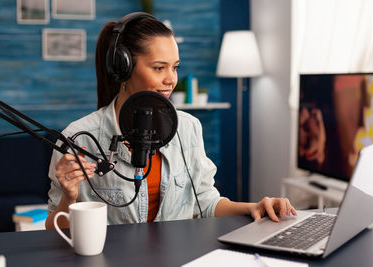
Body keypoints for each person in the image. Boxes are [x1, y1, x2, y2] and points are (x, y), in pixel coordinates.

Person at [45, 12, 296, 230]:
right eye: (159, 68)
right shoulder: (79, 137)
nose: (171, 79)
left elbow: (205, 203)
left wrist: (255, 207)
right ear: (123, 68)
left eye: (174, 67)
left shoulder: (187, 128)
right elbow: (53, 229)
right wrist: (69, 196)